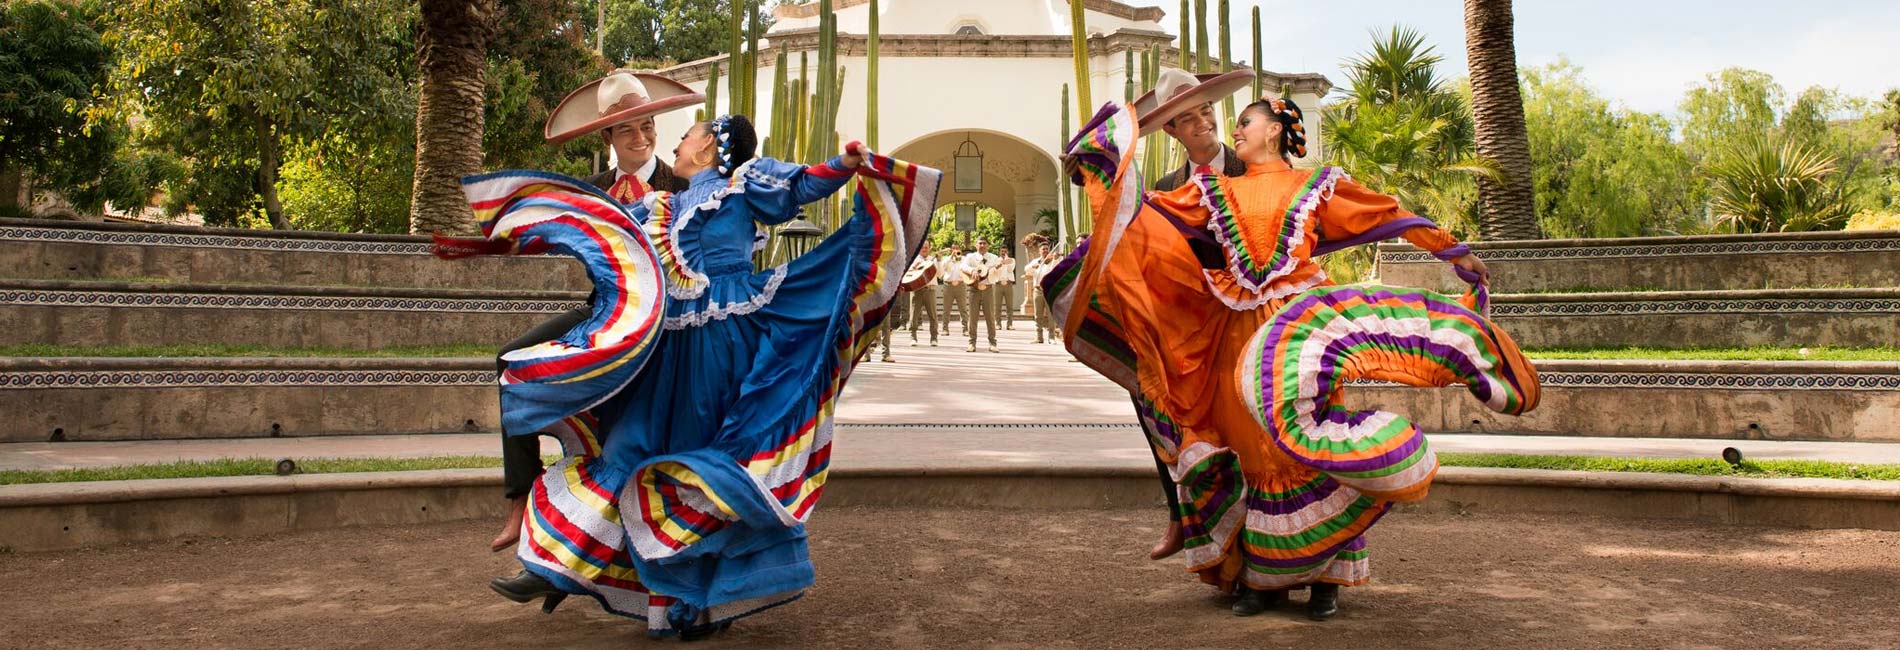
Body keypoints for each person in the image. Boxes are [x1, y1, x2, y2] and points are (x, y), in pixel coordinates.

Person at [1045, 77, 1539, 621]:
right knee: (1252, 445)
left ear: (1275, 129)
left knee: (1308, 441)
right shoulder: (1213, 190)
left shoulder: (1319, 186)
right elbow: (1143, 221)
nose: (1233, 129)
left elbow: (1384, 215)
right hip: (1235, 331)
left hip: (1304, 331)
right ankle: (1262, 581)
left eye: (1244, 122)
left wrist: (1455, 251)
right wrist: (1100, 165)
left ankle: (1328, 579)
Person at [439, 114, 941, 638]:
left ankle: (697, 598)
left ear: (709, 149)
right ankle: (557, 569)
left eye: (688, 135)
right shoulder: (662, 206)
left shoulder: (744, 185)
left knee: (698, 462)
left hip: (721, 343)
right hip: (666, 346)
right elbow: (595, 234)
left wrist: (845, 163)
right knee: (627, 452)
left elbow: (801, 185)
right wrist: (514, 236)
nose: (678, 141)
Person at [464, 71, 700, 556]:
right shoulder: (588, 191)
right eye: (628, 130)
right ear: (607, 137)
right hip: (603, 312)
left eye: (648, 125)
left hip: (666, 321)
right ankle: (521, 498)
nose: (642, 137)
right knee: (512, 361)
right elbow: (542, 230)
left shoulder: (681, 184)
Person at [960, 238, 1003, 352]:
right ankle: (971, 343)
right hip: (974, 289)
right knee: (973, 317)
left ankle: (992, 343)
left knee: (990, 317)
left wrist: (997, 268)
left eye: (984, 243)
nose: (982, 245)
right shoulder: (970, 257)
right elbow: (962, 267)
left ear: (988, 245)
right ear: (976, 245)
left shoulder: (994, 258)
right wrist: (972, 270)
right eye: (980, 243)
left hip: (988, 289)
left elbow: (997, 275)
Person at [905, 241, 941, 345]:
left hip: (930, 289)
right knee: (914, 315)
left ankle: (934, 338)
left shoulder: (933, 260)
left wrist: (938, 262)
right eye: (922, 247)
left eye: (926, 247)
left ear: (929, 248)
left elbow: (940, 275)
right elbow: (906, 275)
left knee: (933, 315)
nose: (924, 249)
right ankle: (913, 337)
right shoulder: (913, 259)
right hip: (917, 290)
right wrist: (913, 268)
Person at [938, 244, 967, 331]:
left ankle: (965, 329)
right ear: (951, 250)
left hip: (960, 285)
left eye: (957, 248)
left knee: (963, 309)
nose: (955, 250)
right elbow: (942, 268)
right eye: (953, 248)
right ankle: (945, 328)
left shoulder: (964, 259)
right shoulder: (946, 259)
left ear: (960, 249)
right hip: (948, 286)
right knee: (946, 309)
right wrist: (951, 257)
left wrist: (960, 258)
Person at [993, 247, 1017, 329]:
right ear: (999, 252)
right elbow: (994, 271)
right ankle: (998, 324)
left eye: (1005, 251)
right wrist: (1000, 263)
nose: (1003, 252)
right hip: (998, 284)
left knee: (1009, 306)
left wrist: (1006, 261)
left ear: (1008, 252)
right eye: (1002, 251)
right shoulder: (996, 260)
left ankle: (1009, 324)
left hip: (1008, 284)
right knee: (997, 305)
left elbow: (1010, 270)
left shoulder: (1012, 260)